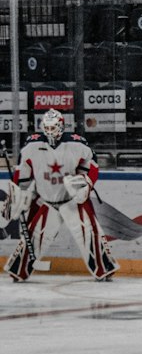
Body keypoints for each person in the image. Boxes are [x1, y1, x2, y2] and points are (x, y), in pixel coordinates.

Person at [3, 109, 119, 282]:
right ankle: (19, 270)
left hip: (73, 201)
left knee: (90, 234)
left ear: (62, 126)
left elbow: (92, 167)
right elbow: (22, 176)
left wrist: (85, 185)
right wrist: (17, 196)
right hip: (46, 201)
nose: (50, 131)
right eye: (47, 127)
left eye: (54, 127)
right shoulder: (31, 147)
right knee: (35, 236)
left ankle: (104, 268)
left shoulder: (77, 144)